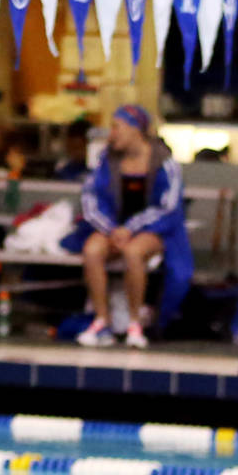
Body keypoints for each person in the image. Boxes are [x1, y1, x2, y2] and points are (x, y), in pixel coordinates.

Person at [73, 104, 190, 350]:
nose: (111, 134)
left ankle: (134, 322)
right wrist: (111, 229)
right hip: (114, 229)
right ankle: (101, 319)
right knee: (92, 249)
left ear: (135, 129)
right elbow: (91, 199)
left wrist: (131, 228)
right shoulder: (106, 160)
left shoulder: (164, 163)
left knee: (133, 252)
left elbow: (168, 207)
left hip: (152, 230)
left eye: (116, 127)